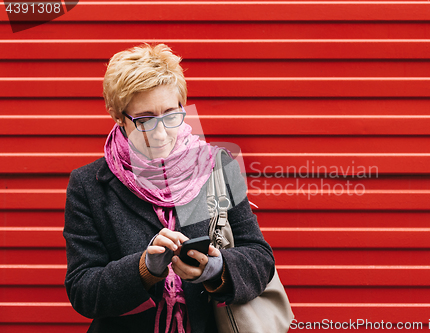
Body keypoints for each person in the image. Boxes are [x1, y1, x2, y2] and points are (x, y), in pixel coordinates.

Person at [63, 44, 275, 333]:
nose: (162, 133)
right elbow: (82, 290)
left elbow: (260, 259)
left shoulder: (215, 165)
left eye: (171, 115)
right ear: (118, 116)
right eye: (145, 120)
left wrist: (215, 269)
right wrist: (144, 269)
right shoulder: (89, 184)